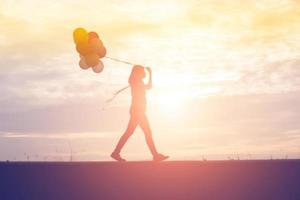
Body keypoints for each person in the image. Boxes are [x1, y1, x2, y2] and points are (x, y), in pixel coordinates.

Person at [111, 65, 169, 162]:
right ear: (138, 72)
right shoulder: (134, 81)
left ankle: (116, 153)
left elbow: (149, 87)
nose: (144, 73)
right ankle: (155, 155)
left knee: (137, 132)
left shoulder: (139, 81)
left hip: (139, 111)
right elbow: (142, 84)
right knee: (141, 132)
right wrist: (148, 73)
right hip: (137, 111)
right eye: (142, 71)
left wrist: (150, 74)